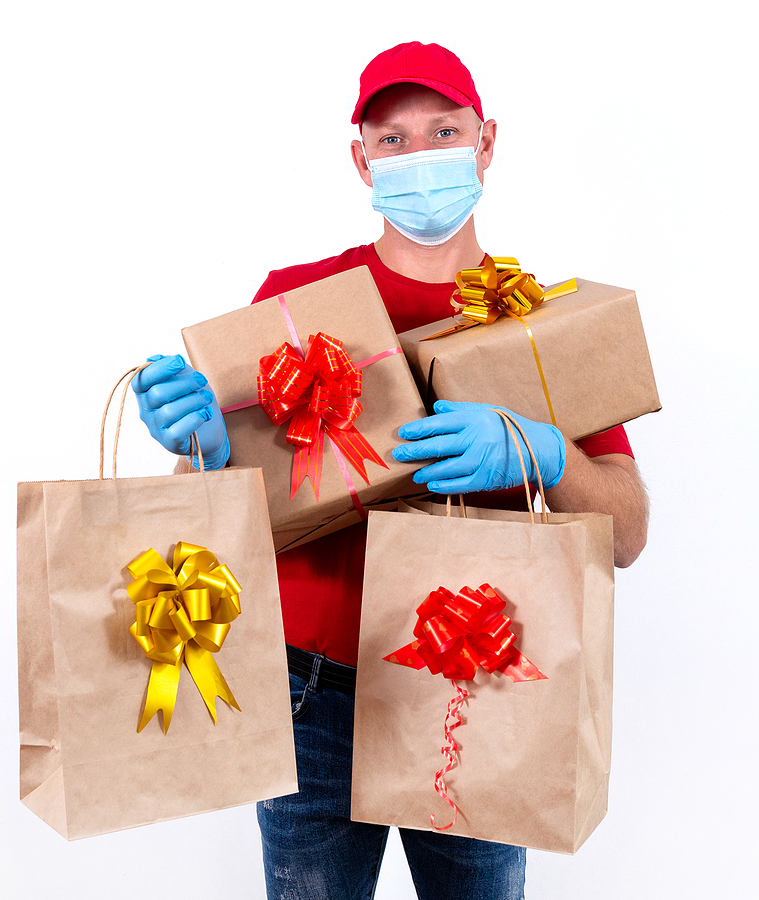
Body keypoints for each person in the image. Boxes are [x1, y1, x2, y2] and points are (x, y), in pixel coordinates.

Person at [131, 42, 649, 900]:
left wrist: (544, 452)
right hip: (310, 694)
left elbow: (626, 532)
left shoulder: (538, 328)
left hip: (476, 684)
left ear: (485, 142)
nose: (419, 157)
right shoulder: (295, 303)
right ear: (360, 158)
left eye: (442, 131)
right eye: (394, 139)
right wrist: (199, 448)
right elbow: (218, 522)